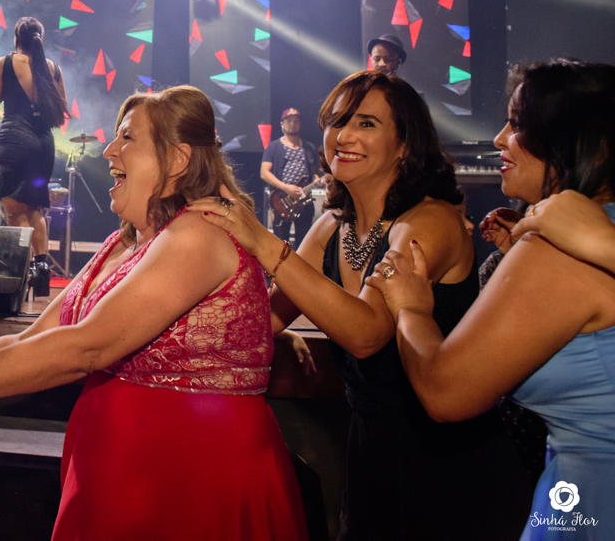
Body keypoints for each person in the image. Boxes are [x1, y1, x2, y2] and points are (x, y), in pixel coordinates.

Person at [0, 86, 309, 541]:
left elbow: (83, 348)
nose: (110, 151)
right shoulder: (123, 243)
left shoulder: (200, 233)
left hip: (189, 476)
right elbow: (31, 339)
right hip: (119, 474)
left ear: (178, 159)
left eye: (128, 138)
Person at [188, 71, 530, 540]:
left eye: (366, 123)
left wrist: (263, 242)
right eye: (337, 122)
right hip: (370, 455)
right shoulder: (331, 226)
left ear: (405, 144)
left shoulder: (429, 221)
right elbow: (261, 322)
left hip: (448, 460)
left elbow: (367, 334)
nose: (344, 136)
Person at [366, 59, 615, 540]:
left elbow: (445, 392)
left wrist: (411, 306)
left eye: (518, 125)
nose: (500, 139)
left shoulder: (559, 248)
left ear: (580, 142)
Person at [0, 17, 68, 296]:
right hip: (44, 143)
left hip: (15, 140)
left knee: (14, 210)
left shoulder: (6, 62)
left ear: (16, 39)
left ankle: (17, 278)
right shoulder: (53, 68)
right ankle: (42, 271)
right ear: (40, 39)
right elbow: (62, 107)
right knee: (35, 210)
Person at [260, 107, 322, 246]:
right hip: (282, 200)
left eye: (296, 121)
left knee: (304, 242)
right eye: (289, 121)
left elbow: (313, 173)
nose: (292, 124)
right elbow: (264, 173)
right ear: (282, 124)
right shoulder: (274, 147)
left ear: (300, 124)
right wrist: (286, 188)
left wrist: (318, 180)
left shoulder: (309, 147)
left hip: (304, 200)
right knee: (281, 243)